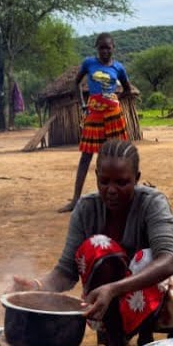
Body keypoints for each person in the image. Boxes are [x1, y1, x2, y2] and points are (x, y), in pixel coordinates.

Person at [13, 139, 173, 346]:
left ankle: (163, 334)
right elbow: (66, 271)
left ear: (137, 178)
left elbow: (168, 260)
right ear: (96, 176)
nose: (111, 190)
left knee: (147, 258)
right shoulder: (86, 208)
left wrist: (113, 289)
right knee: (97, 247)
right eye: (104, 181)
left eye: (122, 182)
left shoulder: (152, 202)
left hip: (157, 294)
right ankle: (114, 341)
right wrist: (37, 288)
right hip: (110, 303)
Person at [59, 34, 134, 213]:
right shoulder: (88, 64)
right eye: (101, 47)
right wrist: (83, 104)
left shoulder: (118, 67)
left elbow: (127, 89)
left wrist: (114, 100)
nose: (105, 51)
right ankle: (75, 200)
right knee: (86, 156)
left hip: (114, 115)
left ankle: (123, 197)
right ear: (96, 48)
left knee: (118, 157)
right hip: (93, 114)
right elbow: (76, 83)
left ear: (113, 48)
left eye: (108, 47)